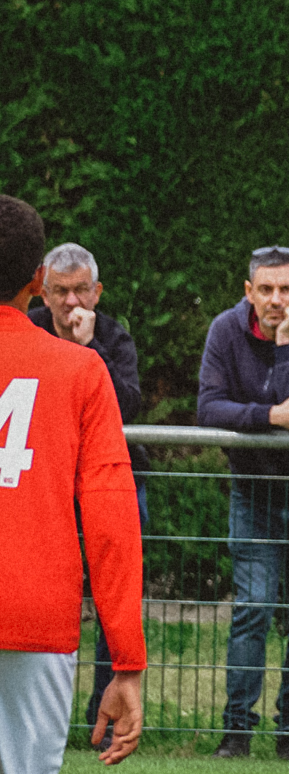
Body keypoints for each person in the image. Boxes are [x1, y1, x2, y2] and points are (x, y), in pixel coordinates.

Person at [0, 196, 145, 774]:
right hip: (37, 615)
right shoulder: (82, 372)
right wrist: (127, 662)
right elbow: (113, 526)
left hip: (33, 617)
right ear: (36, 279)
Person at [197, 245, 289, 762]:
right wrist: (266, 416)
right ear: (249, 292)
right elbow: (208, 406)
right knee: (253, 609)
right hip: (254, 494)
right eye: (265, 289)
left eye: (286, 289)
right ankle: (236, 731)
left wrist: (284, 344)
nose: (276, 299)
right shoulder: (224, 331)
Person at [28, 242, 150, 740]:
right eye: (61, 291)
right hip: (47, 484)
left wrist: (88, 350)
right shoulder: (28, 328)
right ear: (43, 291)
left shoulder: (115, 337)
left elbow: (127, 406)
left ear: (97, 292)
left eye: (82, 290)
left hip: (103, 483)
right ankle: (38, 717)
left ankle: (107, 709)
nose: (72, 302)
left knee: (111, 602)